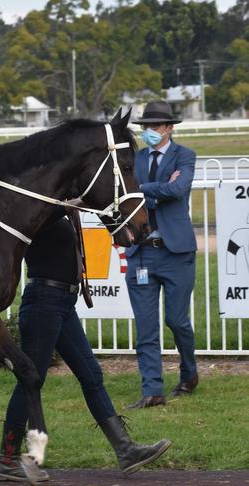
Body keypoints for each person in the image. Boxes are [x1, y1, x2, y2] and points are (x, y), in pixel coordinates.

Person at [0, 208, 171, 483]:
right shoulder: (38, 210)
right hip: (44, 303)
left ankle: (126, 451)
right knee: (30, 382)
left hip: (62, 304)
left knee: (92, 375)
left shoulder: (59, 212)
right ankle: (7, 459)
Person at [124, 101, 199, 410]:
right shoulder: (135, 159)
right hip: (141, 252)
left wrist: (143, 189)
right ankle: (152, 390)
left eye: (156, 126)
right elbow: (128, 193)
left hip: (177, 252)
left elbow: (178, 189)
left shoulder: (185, 156)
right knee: (145, 327)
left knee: (177, 321)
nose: (150, 132)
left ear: (169, 128)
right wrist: (154, 188)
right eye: (146, 127)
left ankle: (189, 372)